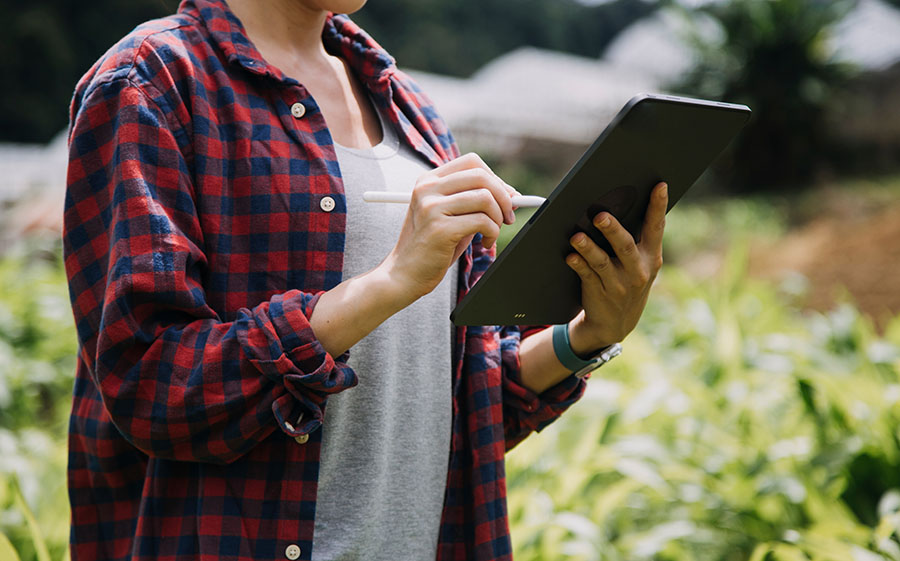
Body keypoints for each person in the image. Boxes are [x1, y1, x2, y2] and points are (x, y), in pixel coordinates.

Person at [62, 0, 667, 559]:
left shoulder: (409, 108)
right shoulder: (152, 81)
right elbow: (151, 386)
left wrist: (587, 336)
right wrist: (388, 283)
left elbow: (461, 401)